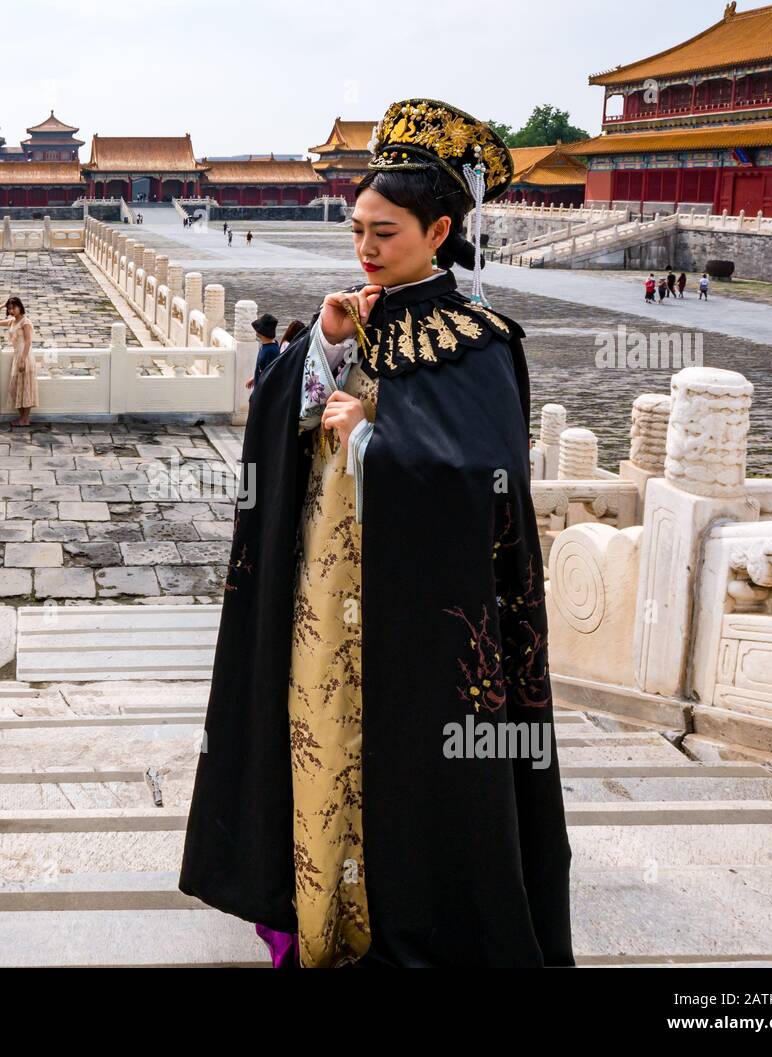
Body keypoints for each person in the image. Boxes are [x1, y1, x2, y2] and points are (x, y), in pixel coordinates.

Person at [180, 97, 574, 969]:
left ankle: (412, 921)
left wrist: (370, 439)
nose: (364, 247)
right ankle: (319, 908)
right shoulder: (354, 317)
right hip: (325, 597)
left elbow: (485, 485)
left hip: (419, 617)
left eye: (385, 232)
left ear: (439, 231)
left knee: (411, 776)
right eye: (357, 227)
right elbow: (281, 429)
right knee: (317, 742)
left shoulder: (480, 340)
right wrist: (316, 352)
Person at [0, 296, 37, 426]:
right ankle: (22, 418)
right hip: (17, 356)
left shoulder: (25, 322)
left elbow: (28, 341)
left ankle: (25, 419)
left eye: (14, 308)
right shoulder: (12, 321)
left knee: (26, 387)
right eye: (10, 308)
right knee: (17, 388)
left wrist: (22, 360)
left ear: (20, 307)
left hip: (25, 356)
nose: (12, 310)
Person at [245, 312, 281, 391]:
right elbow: (263, 368)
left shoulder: (271, 351)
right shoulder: (266, 346)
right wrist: (255, 378)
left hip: (263, 395)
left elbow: (270, 377)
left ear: (262, 332)